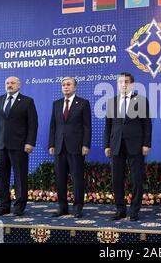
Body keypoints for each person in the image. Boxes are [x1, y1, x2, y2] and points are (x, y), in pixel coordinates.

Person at [0, 76, 38, 216]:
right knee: (2, 177)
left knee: (20, 177)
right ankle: (3, 206)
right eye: (7, 83)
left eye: (12, 83)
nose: (10, 85)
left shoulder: (27, 101)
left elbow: (33, 124)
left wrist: (30, 142)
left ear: (19, 86)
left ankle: (19, 206)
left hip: (20, 146)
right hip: (0, 145)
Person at [104, 72, 151, 221]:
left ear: (132, 84)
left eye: (126, 82)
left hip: (136, 145)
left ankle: (134, 210)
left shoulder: (141, 100)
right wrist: (107, 145)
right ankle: (120, 209)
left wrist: (146, 144)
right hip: (116, 144)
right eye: (120, 82)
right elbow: (108, 125)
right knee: (116, 178)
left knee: (136, 178)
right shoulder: (112, 101)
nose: (123, 84)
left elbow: (147, 125)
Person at [49, 77, 91, 218]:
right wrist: (51, 144)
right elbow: (53, 126)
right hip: (59, 146)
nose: (65, 87)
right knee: (60, 179)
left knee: (77, 178)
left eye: (68, 84)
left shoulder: (83, 103)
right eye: (63, 85)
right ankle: (62, 207)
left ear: (75, 87)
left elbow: (87, 127)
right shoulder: (56, 104)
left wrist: (85, 144)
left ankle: (78, 207)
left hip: (76, 147)